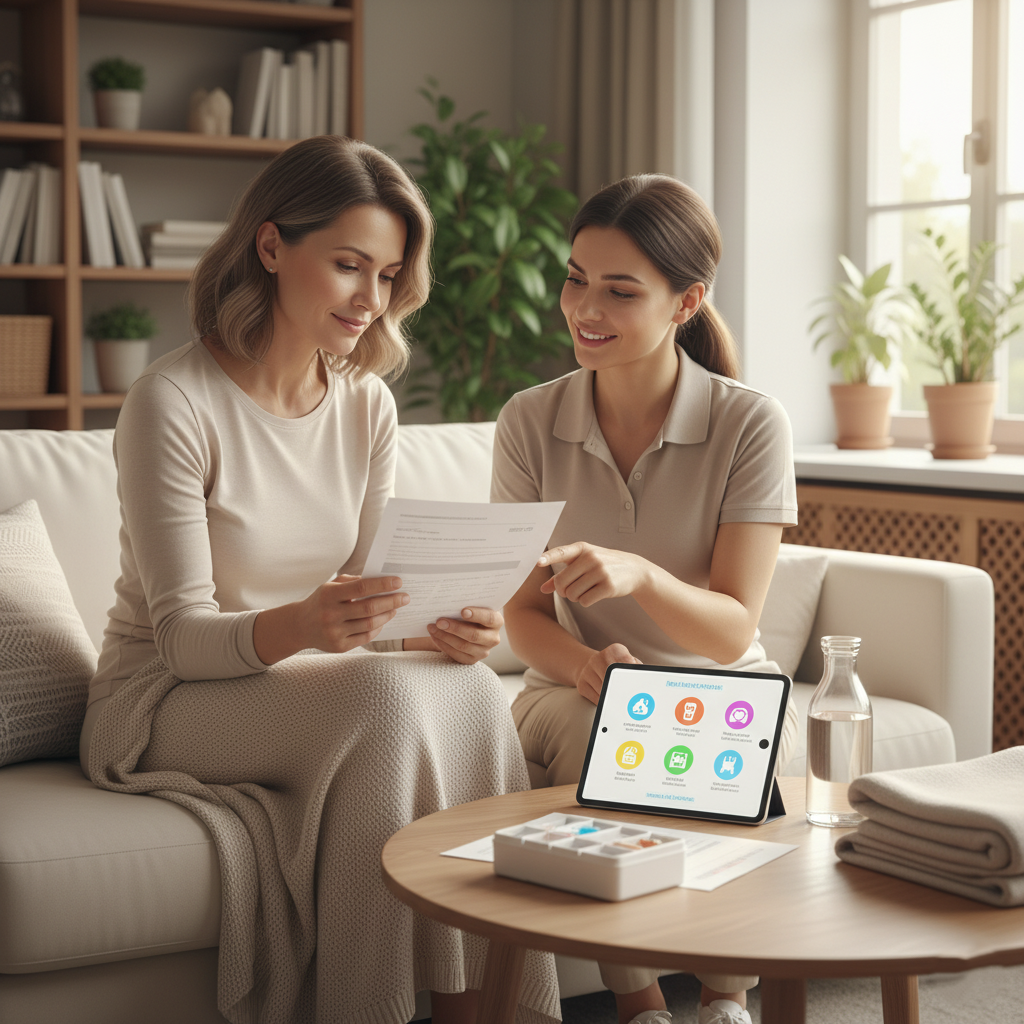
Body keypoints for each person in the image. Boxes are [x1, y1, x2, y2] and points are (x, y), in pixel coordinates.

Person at [79, 136, 558, 1024]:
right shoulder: (171, 402)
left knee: (470, 690)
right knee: (379, 699)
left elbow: (375, 607)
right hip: (160, 696)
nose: (370, 299)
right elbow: (180, 638)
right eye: (348, 265)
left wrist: (444, 628)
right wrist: (306, 624)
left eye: (388, 275)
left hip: (301, 675)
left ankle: (493, 1008)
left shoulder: (365, 403)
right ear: (271, 246)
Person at [491, 173, 800, 1024]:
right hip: (574, 688)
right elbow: (522, 615)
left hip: (722, 679)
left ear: (686, 302)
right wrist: (586, 665)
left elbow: (733, 630)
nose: (585, 309)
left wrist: (644, 576)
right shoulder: (528, 422)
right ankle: (640, 1005)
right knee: (609, 731)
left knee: (729, 741)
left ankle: (726, 998)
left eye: (620, 291)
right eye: (575, 279)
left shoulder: (750, 423)